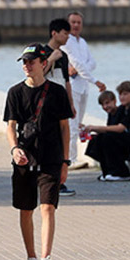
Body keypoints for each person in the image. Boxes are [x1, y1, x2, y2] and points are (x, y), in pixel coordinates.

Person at [5, 43, 72, 260]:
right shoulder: (15, 92)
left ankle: (46, 258)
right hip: (24, 159)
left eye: (31, 61)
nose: (27, 66)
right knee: (26, 210)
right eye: (24, 62)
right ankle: (31, 259)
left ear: (43, 64)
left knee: (47, 207)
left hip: (51, 158)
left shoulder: (57, 92)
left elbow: (65, 128)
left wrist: (65, 161)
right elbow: (10, 126)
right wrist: (14, 149)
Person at [62, 12, 106, 169]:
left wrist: (79, 69)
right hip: (72, 87)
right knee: (72, 124)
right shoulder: (67, 41)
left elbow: (91, 63)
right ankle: (70, 159)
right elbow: (75, 62)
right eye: (73, 22)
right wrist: (94, 80)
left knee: (78, 123)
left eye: (78, 22)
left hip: (83, 87)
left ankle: (72, 157)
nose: (75, 25)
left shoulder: (82, 42)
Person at [84, 80, 130, 181]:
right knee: (98, 139)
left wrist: (95, 127)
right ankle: (107, 172)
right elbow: (112, 127)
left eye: (125, 94)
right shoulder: (123, 109)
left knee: (109, 137)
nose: (122, 97)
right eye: (120, 94)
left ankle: (122, 173)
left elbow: (120, 128)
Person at [43, 18, 76, 195]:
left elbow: (66, 81)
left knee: (63, 138)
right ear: (54, 33)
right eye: (65, 33)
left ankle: (59, 179)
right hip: (46, 102)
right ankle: (49, 180)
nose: (67, 37)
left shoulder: (64, 55)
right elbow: (37, 74)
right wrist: (50, 59)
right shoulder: (42, 52)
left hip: (61, 102)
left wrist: (71, 104)